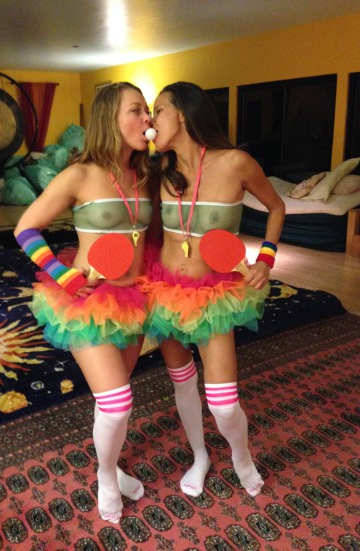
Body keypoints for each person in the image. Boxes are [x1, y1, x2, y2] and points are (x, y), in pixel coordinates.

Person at [14, 82, 154, 523]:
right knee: (118, 401)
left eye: (148, 110)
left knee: (113, 395)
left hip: (134, 298)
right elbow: (25, 228)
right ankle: (107, 478)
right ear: (111, 117)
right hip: (88, 302)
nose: (147, 118)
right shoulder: (80, 174)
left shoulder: (145, 174)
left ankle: (109, 465)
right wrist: (62, 274)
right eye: (136, 110)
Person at [140, 81, 285, 498]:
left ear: (184, 114)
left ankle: (241, 455)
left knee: (223, 403)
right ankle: (199, 455)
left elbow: (276, 206)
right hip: (165, 291)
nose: (151, 120)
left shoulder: (236, 162)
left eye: (158, 110)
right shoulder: (158, 170)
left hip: (214, 296)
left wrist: (266, 259)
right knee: (182, 382)